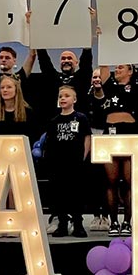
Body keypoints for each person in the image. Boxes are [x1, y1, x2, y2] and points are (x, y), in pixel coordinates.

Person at [92, 62, 138, 235]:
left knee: (129, 181)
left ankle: (127, 222)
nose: (116, 69)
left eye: (121, 67)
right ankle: (113, 222)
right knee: (111, 181)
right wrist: (102, 38)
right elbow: (103, 64)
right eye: (116, 67)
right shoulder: (109, 84)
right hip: (110, 133)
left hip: (131, 133)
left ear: (130, 71)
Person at [43, 86, 91, 238]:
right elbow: (49, 142)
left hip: (75, 163)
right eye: (60, 96)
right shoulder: (54, 121)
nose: (63, 98)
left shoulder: (81, 118)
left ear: (74, 99)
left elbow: (87, 138)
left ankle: (78, 223)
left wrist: (83, 157)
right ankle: (62, 223)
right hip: (58, 164)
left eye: (67, 96)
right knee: (59, 195)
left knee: (76, 194)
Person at [0, 74, 39, 147]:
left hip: (22, 151)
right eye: (2, 87)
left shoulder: (28, 112)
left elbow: (32, 137)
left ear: (16, 89)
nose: (5, 90)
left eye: (9, 87)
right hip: (0, 151)